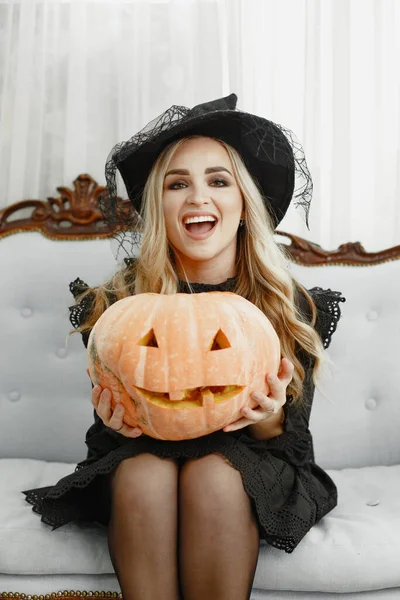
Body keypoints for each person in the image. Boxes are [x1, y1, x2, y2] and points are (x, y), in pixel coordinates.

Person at [23, 93, 346, 600]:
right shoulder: (121, 304)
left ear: (244, 206)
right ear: (160, 206)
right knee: (142, 475)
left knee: (214, 476)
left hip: (248, 458)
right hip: (145, 450)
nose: (198, 197)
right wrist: (114, 419)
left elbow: (291, 442)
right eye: (178, 184)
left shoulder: (283, 305)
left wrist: (267, 414)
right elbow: (110, 435)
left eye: (218, 181)